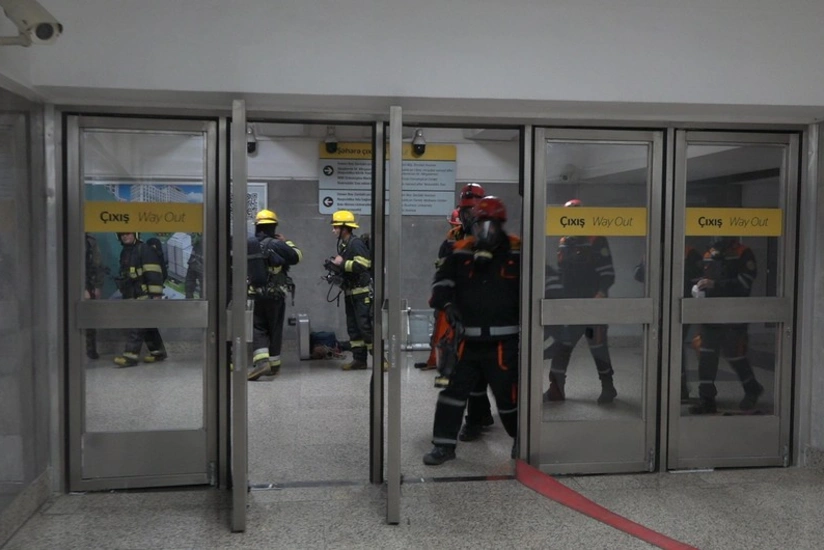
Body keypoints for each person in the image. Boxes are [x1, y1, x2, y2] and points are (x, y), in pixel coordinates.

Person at [423, 196, 521, 465]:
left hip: (504, 343)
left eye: (492, 224)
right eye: (480, 224)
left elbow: (539, 286)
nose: (485, 230)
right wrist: (447, 304)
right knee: (452, 395)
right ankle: (443, 446)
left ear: (501, 224)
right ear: (473, 225)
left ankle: (522, 441)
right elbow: (441, 284)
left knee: (509, 397)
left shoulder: (518, 252)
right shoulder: (460, 252)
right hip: (466, 342)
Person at [545, 199, 617, 405]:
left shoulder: (596, 240)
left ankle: (608, 387)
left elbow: (608, 273)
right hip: (569, 306)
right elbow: (562, 273)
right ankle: (556, 389)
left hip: (592, 307)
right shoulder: (564, 241)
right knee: (562, 346)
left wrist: (600, 293)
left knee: (598, 347)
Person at [690, 237, 764, 414]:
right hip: (710, 315)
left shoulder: (743, 253)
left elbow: (744, 284)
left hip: (733, 314)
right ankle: (707, 400)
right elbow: (705, 277)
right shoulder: (708, 254)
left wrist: (714, 285)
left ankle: (752, 388)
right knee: (706, 357)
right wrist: (699, 285)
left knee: (735, 355)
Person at [633, 246, 703, 401]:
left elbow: (697, 280)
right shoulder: (652, 249)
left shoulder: (689, 253)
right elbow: (638, 275)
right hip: (657, 308)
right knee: (657, 347)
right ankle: (660, 389)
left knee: (674, 346)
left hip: (679, 308)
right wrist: (647, 263)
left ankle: (680, 389)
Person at [247, 209, 302, 381]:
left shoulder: (249, 244)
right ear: (273, 226)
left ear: (257, 226)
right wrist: (287, 242)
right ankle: (273, 365)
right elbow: (297, 256)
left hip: (255, 295)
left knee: (258, 327)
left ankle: (262, 363)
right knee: (275, 328)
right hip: (276, 295)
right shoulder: (276, 244)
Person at [325, 210, 374, 371]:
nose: (333, 230)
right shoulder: (344, 245)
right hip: (350, 293)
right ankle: (359, 360)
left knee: (365, 327)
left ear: (345, 228)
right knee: (353, 329)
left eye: (336, 227)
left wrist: (342, 263)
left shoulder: (355, 243)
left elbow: (363, 265)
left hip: (361, 293)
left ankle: (381, 360)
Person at [112, 232, 167, 367]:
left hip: (143, 294)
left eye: (128, 234)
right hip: (132, 294)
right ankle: (158, 352)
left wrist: (156, 294)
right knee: (147, 324)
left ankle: (130, 356)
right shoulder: (126, 251)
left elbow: (153, 272)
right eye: (122, 235)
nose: (125, 236)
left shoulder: (145, 250)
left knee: (136, 324)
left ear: (135, 234)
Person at [84, 233, 105, 359]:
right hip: (71, 286)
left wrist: (97, 286)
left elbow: (97, 265)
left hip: (89, 284)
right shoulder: (64, 238)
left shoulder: (90, 241)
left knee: (89, 320)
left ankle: (90, 350)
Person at [184, 233, 204, 299]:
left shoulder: (199, 236)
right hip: (200, 265)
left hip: (195, 263)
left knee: (189, 284)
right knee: (204, 288)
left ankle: (189, 301)